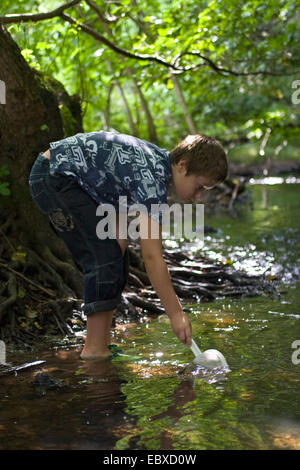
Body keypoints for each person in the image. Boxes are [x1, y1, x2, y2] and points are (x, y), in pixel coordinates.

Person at [28, 131, 228, 360]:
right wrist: (176, 315)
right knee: (102, 257)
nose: (199, 197)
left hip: (72, 180)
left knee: (114, 256)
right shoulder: (152, 180)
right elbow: (152, 257)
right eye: (200, 187)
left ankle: (103, 342)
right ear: (182, 166)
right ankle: (94, 351)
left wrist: (115, 262)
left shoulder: (153, 165)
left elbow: (117, 217)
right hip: (54, 175)